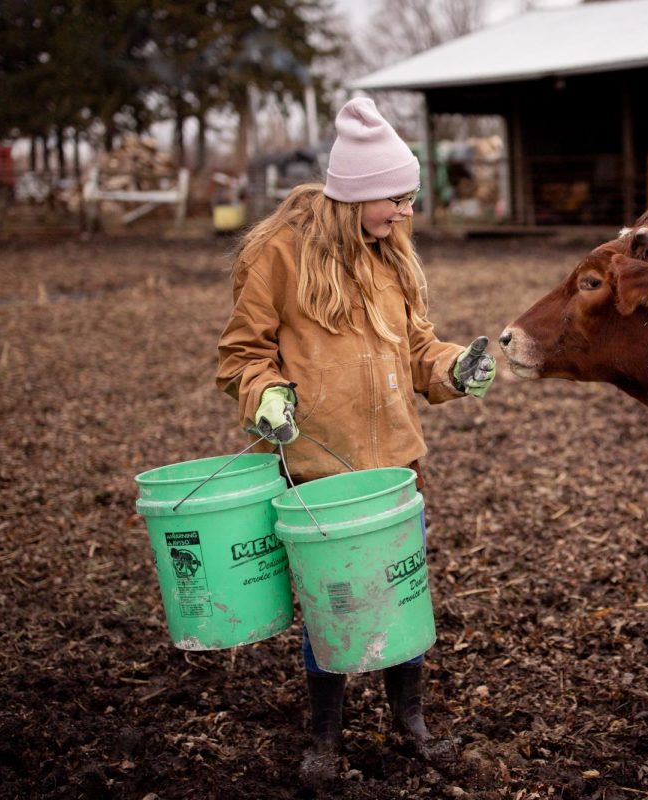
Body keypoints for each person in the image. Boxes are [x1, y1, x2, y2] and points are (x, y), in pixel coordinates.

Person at [215, 97, 495, 768]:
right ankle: (325, 737)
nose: (407, 212)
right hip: (318, 473)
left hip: (397, 467)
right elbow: (241, 357)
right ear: (356, 195)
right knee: (331, 604)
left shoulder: (389, 255)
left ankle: (412, 722)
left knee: (399, 591)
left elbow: (417, 350)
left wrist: (454, 367)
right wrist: (268, 397)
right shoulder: (278, 256)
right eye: (395, 199)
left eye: (409, 198)